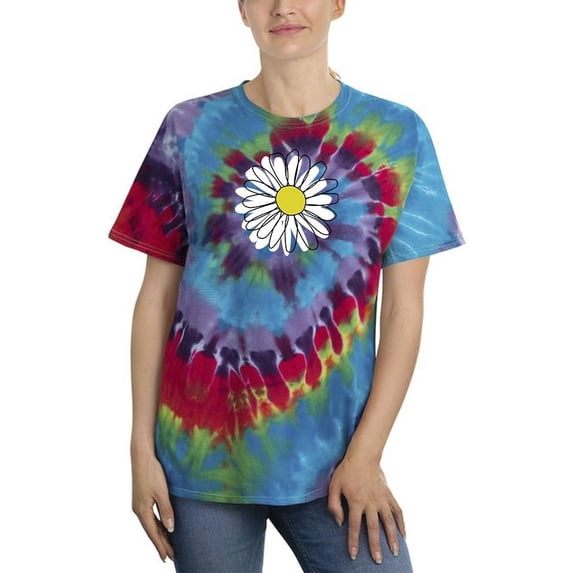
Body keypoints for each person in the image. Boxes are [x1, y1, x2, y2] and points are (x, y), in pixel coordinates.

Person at [109, 0, 464, 571]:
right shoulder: (190, 128)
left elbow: (405, 311)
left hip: (336, 464)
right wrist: (139, 449)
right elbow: (156, 299)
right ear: (242, 9)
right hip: (203, 456)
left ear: (338, 4)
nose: (283, 7)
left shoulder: (396, 135)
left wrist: (366, 455)